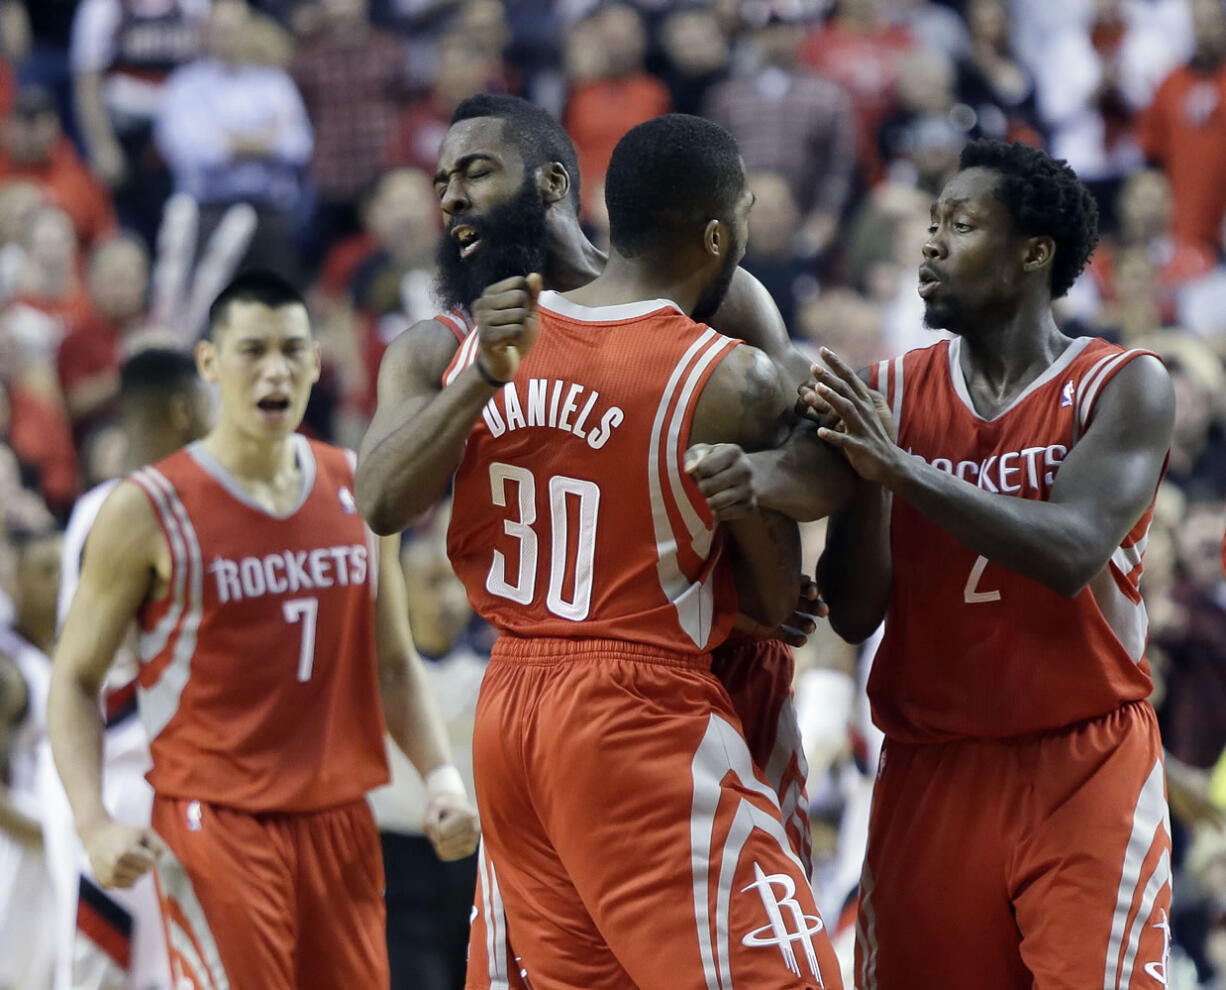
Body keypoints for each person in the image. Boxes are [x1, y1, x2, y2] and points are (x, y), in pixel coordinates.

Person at [359, 93, 850, 988]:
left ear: (554, 181)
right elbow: (380, 499)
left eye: (476, 172)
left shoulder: (715, 294)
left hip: (701, 673)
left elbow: (797, 451)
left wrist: (755, 505)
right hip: (626, 685)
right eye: (441, 183)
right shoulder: (445, 349)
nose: (453, 200)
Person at [761, 140, 1172, 988]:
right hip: (931, 764)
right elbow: (855, 611)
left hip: (1080, 760)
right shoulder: (893, 393)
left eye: (962, 223)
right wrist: (863, 488)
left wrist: (901, 469)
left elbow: (1069, 550)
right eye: (934, 222)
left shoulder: (1122, 384)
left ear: (1033, 253)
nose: (932, 242)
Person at [48, 271, 480, 990]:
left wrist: (441, 778)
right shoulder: (146, 508)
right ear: (211, 364)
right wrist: (93, 824)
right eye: (252, 350)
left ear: (316, 363)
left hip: (342, 824)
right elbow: (75, 679)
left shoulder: (358, 488)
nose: (274, 368)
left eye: (291, 350)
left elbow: (394, 666)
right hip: (215, 827)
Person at [40, 347, 210, 990]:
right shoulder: (146, 512)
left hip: (121, 772)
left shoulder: (96, 506)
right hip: (121, 774)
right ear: (184, 409)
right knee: (114, 968)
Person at [0, 523, 62, 990]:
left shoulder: (74, 653)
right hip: (21, 850)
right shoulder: (9, 669)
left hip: (61, 849)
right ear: (14, 581)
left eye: (64, 567)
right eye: (45, 571)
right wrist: (46, 834)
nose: (59, 581)